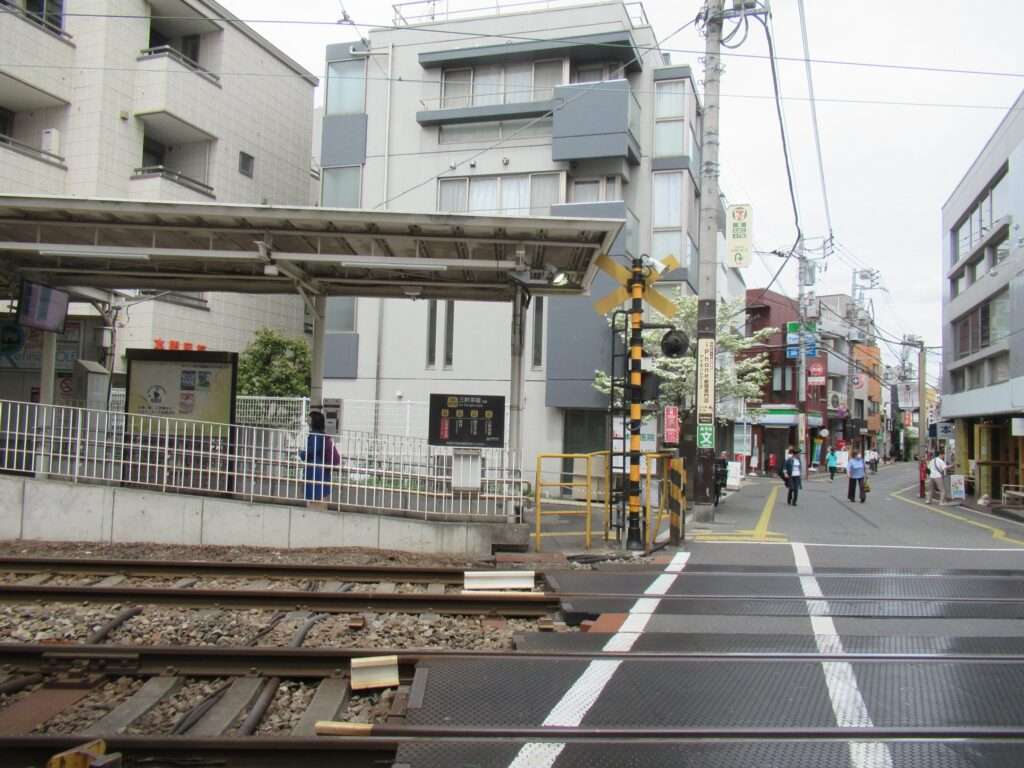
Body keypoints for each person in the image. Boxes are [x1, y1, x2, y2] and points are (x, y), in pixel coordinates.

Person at [300, 411, 341, 508]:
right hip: (322, 472)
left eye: (309, 420)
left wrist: (301, 453)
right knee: (321, 499)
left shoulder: (315, 436)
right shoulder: (323, 436)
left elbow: (310, 452)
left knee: (315, 502)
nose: (307, 421)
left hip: (315, 472)